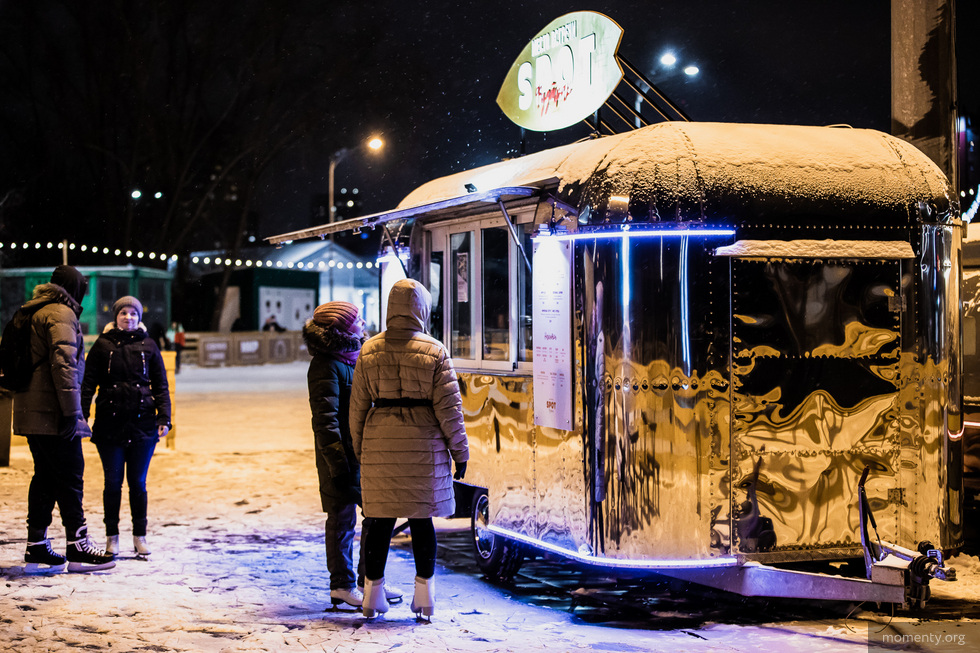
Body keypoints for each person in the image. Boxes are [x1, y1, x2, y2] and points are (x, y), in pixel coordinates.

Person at [350, 279, 469, 619]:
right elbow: (450, 410)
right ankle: (425, 596)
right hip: (424, 445)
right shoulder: (435, 351)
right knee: (421, 521)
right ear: (422, 309)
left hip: (380, 443)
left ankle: (372, 597)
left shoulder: (369, 350)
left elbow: (357, 408)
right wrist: (460, 452)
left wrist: (360, 450)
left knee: (379, 521)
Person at [13, 265, 116, 573]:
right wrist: (73, 413)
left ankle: (36, 545)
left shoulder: (34, 309)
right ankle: (78, 546)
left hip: (32, 409)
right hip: (53, 411)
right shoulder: (61, 313)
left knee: (45, 476)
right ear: (74, 287)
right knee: (71, 475)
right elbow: (64, 366)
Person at [303, 301, 404, 609]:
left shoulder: (355, 357)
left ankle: (369, 580)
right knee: (342, 519)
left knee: (376, 515)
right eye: (357, 320)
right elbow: (325, 421)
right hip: (340, 458)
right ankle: (342, 585)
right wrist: (338, 465)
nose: (363, 324)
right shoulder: (326, 365)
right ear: (342, 328)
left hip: (363, 452)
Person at [81, 296, 171, 558]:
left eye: (133, 313)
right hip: (109, 425)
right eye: (123, 313)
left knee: (138, 484)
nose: (128, 317)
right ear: (116, 316)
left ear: (139, 317)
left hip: (143, 425)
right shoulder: (102, 345)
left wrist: (164, 417)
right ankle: (112, 536)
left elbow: (161, 385)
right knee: (112, 483)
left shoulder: (149, 345)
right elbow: (88, 383)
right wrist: (82, 414)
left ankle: (139, 536)